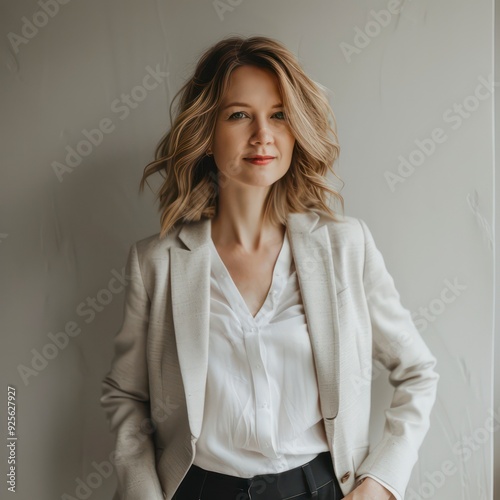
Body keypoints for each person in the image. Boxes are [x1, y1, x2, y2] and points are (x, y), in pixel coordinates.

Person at [100, 35, 439, 500]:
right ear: (205, 131)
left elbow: (418, 371)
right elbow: (126, 396)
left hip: (319, 486)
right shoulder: (156, 263)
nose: (263, 135)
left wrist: (380, 483)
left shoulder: (345, 246)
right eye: (239, 115)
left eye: (278, 115)